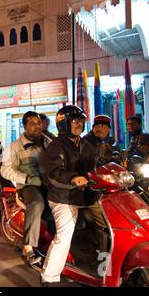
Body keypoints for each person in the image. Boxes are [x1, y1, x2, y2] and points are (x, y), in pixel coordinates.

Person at [40, 105, 98, 286]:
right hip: (63, 197)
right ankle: (48, 277)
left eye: (81, 121)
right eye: (75, 121)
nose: (79, 125)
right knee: (64, 236)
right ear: (64, 124)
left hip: (87, 195)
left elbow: (97, 165)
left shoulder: (86, 144)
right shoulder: (56, 146)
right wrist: (73, 178)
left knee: (109, 229)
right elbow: (54, 171)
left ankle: (106, 269)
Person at [1, 111, 52, 267]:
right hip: (29, 186)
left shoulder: (48, 141)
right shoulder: (15, 147)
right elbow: (5, 170)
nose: (37, 126)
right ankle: (28, 247)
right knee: (37, 204)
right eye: (32, 123)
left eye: (38, 123)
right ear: (24, 126)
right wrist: (27, 178)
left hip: (49, 183)